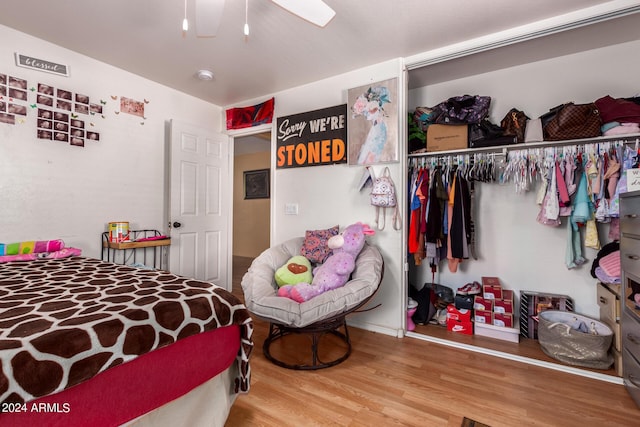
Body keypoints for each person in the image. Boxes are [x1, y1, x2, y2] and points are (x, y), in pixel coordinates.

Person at [351, 85, 391, 165]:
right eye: (364, 111)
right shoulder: (375, 127)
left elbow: (371, 157)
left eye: (371, 110)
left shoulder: (380, 129)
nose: (366, 114)